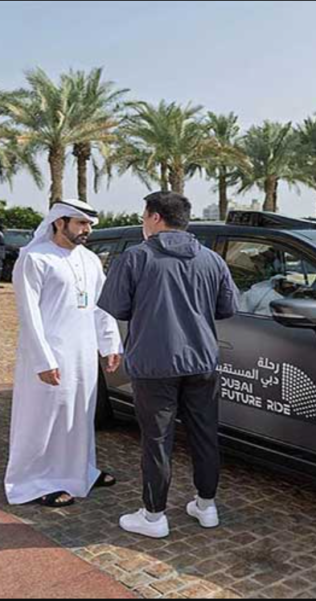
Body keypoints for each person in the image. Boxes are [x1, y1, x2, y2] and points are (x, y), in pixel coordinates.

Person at [99, 191, 238, 539]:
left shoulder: (136, 258)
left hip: (154, 363)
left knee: (157, 439)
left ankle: (154, 516)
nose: (143, 222)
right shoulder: (212, 259)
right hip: (202, 361)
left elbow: (117, 307)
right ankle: (207, 506)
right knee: (205, 434)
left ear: (156, 217)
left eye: (145, 215)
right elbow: (227, 308)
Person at [4, 198, 123, 508]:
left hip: (82, 352)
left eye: (89, 225)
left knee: (80, 414)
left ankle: (78, 472)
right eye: (81, 223)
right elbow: (28, 314)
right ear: (60, 222)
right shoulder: (35, 258)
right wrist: (44, 360)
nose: (86, 230)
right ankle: (33, 481)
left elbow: (101, 306)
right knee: (44, 418)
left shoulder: (90, 259)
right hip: (48, 353)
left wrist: (109, 344)